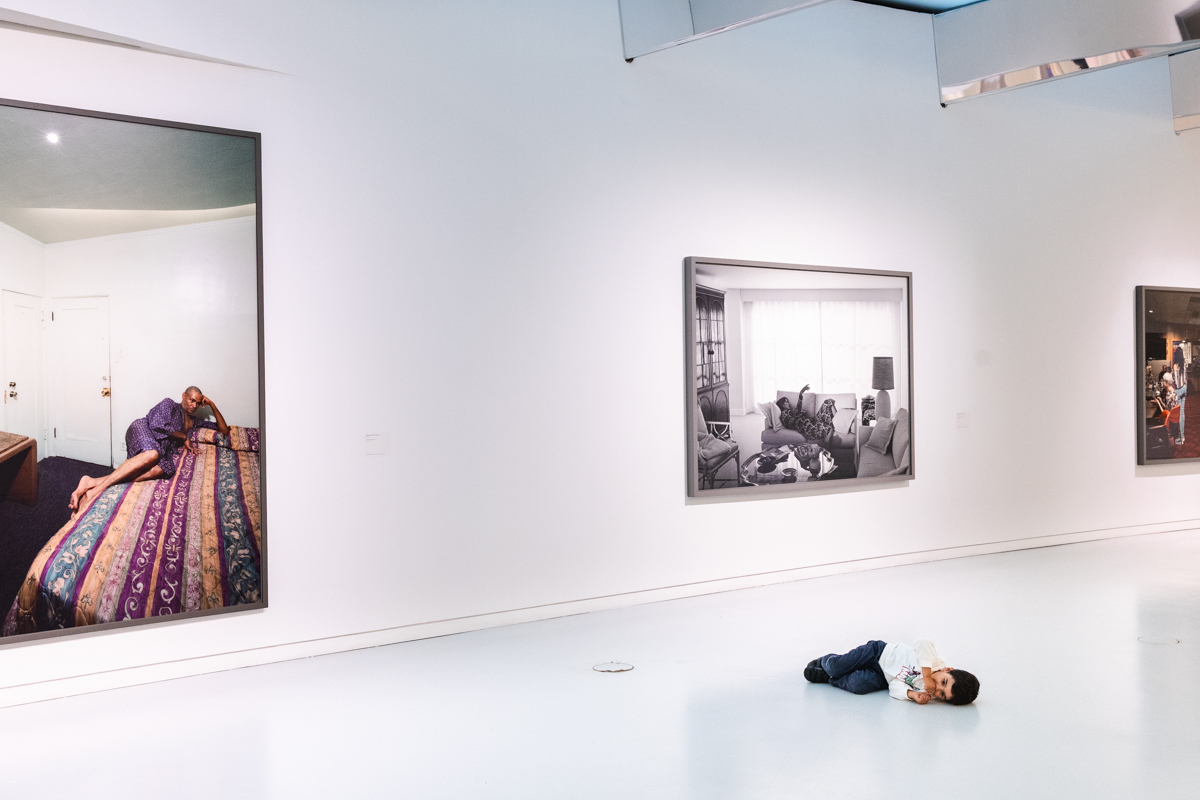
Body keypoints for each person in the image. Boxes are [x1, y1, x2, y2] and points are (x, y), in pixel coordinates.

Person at [68, 386, 230, 515]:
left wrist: (212, 405)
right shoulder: (169, 404)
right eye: (191, 400)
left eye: (198, 403)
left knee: (164, 469)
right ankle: (94, 492)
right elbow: (156, 424)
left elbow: (223, 430)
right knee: (152, 454)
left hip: (161, 446)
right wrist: (183, 437)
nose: (194, 405)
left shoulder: (194, 422)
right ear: (183, 396)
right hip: (144, 429)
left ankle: (91, 482)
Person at [804, 639, 980, 706]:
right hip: (879, 653)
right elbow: (923, 643)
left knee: (859, 685)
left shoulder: (926, 692)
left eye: (942, 694)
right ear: (948, 670)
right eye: (943, 682)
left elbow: (895, 686)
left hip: (883, 676)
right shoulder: (935, 661)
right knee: (837, 666)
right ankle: (826, 662)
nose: (936, 688)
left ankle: (829, 678)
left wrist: (911, 694)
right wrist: (926, 675)